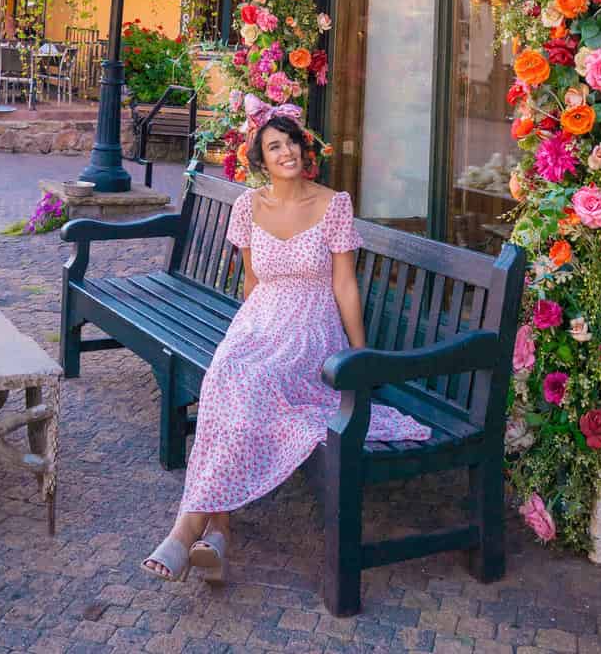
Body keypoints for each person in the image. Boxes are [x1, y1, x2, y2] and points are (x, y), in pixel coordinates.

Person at [141, 99, 430, 584]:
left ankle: (187, 527)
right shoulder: (247, 207)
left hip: (311, 325)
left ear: (304, 148)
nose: (287, 150)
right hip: (260, 321)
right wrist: (244, 334)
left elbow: (344, 285)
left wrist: (359, 356)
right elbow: (251, 283)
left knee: (251, 382)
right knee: (225, 378)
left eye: (292, 141)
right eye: (274, 146)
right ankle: (216, 532)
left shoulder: (333, 203)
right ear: (261, 159)